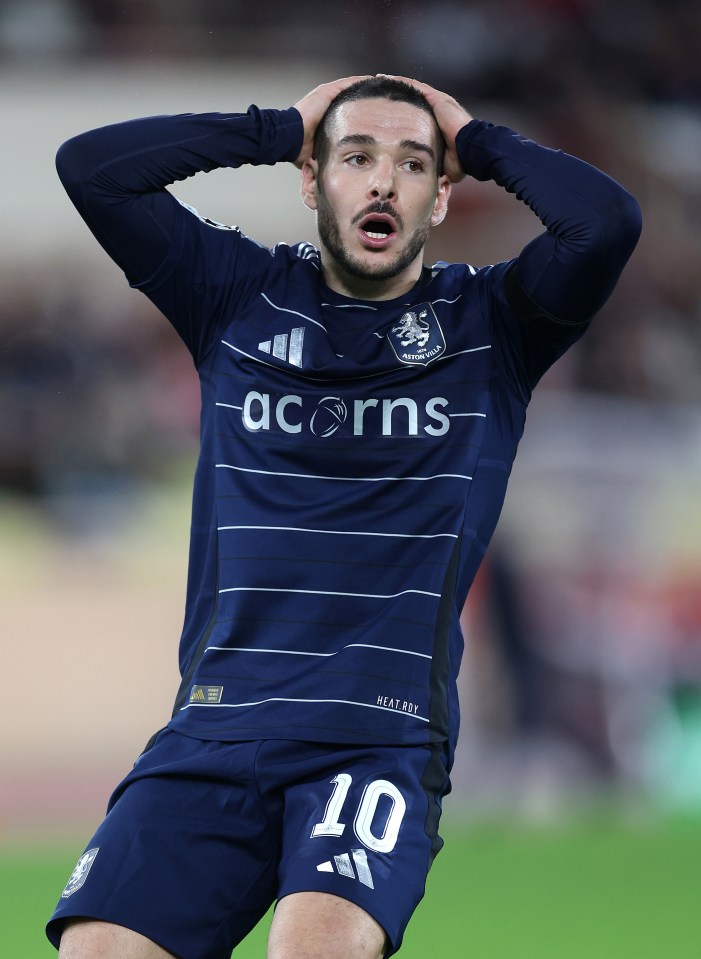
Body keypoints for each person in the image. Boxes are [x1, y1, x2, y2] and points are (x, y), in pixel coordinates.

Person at [47, 74, 641, 959]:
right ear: (312, 179)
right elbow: (92, 169)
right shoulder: (233, 293)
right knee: (99, 949)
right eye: (354, 157)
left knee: (313, 948)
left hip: (376, 733)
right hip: (213, 723)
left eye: (411, 165)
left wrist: (474, 139)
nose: (380, 182)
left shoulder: (494, 324)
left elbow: (606, 223)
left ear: (440, 196)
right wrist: (278, 125)